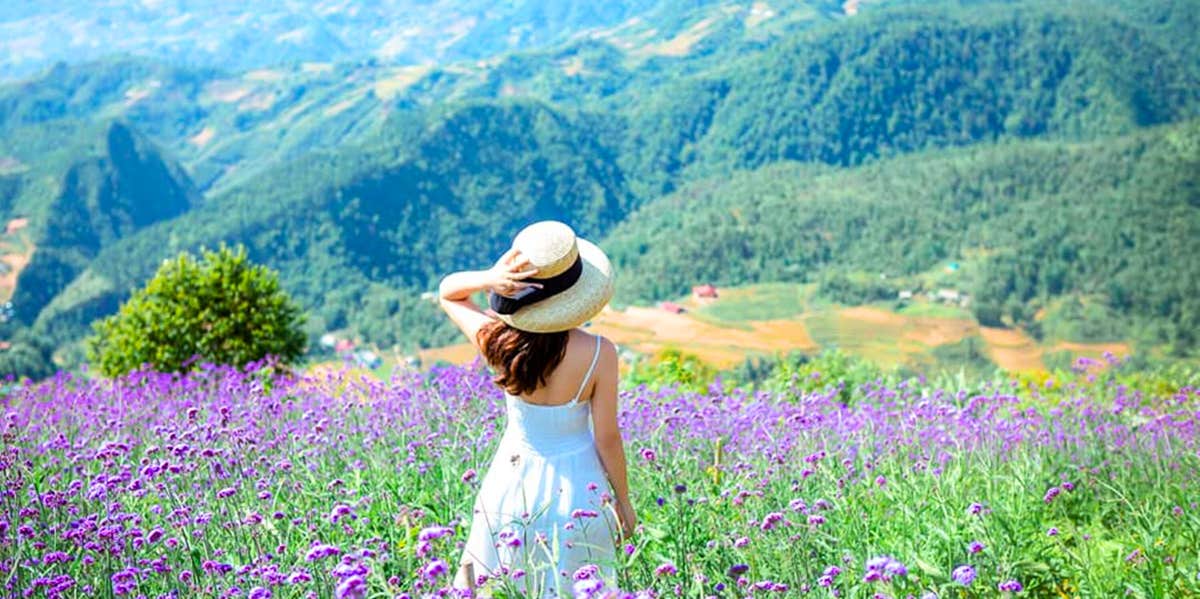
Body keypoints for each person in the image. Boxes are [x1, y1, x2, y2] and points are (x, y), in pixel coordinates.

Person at [438, 221, 635, 597]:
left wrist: (490, 278)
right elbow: (608, 438)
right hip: (581, 490)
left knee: (500, 586)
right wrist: (623, 502)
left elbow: (449, 293)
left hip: (510, 488)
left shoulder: (498, 343)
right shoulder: (599, 353)